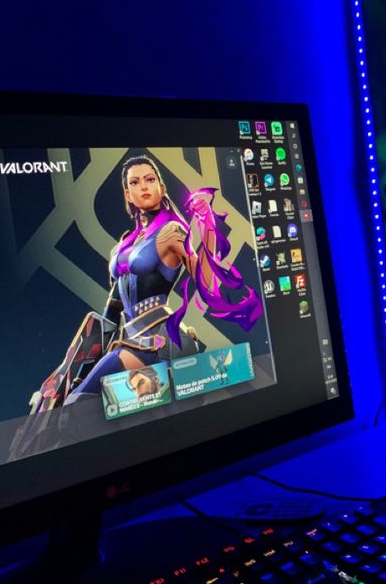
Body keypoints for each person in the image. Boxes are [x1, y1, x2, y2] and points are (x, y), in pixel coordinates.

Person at [54, 154, 262, 405]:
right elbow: (111, 312)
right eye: (135, 182)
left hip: (159, 342)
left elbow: (207, 282)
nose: (143, 186)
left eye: (150, 179)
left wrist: (207, 226)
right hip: (130, 341)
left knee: (77, 406)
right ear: (127, 195)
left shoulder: (171, 232)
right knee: (82, 404)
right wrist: (80, 373)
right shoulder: (124, 244)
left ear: (161, 188)